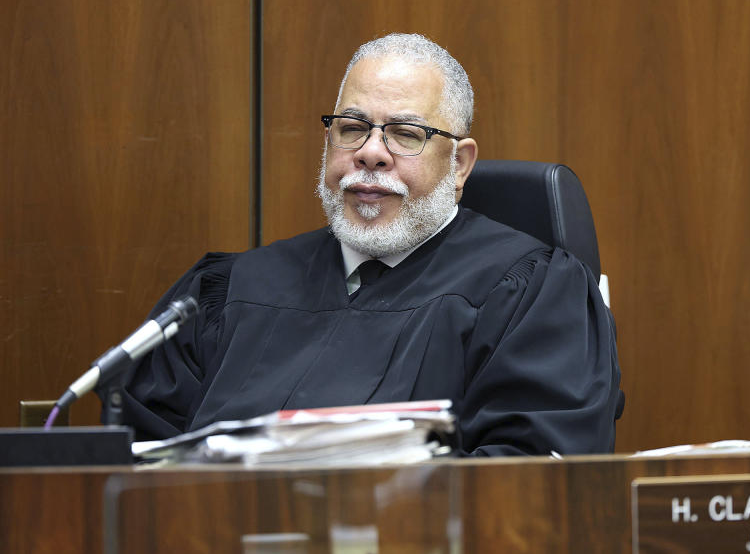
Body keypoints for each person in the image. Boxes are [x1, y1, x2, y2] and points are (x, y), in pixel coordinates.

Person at [111, 33, 623, 456]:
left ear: (459, 164)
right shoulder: (228, 292)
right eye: (353, 128)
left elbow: (529, 476)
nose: (371, 153)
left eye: (405, 134)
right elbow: (133, 458)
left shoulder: (531, 293)